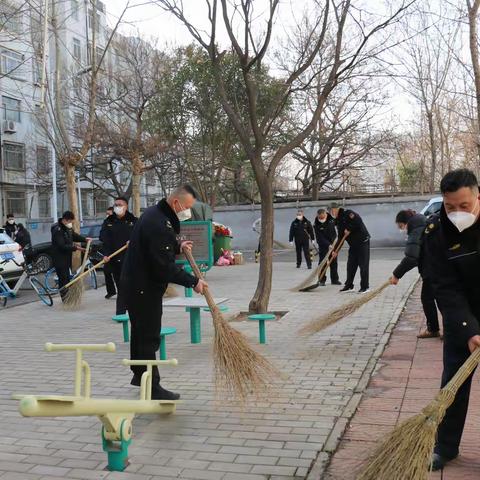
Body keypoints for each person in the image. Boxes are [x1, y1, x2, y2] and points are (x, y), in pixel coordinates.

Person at [120, 186, 208, 400]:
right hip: (143, 288)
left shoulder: (154, 214)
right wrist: (193, 281)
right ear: (176, 203)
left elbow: (154, 248)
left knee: (140, 333)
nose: (187, 212)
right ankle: (153, 387)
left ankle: (140, 376)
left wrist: (177, 246)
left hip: (136, 284)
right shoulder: (158, 223)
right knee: (149, 336)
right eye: (186, 207)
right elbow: (163, 267)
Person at [422, 169, 480, 472]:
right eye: (450, 206)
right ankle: (445, 446)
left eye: (464, 206)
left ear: (477, 197)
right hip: (462, 317)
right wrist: (469, 330)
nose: (457, 213)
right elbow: (444, 287)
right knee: (453, 384)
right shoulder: (436, 232)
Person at [389, 209, 440, 338]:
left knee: (428, 298)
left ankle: (434, 329)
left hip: (433, 268)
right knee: (440, 298)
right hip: (437, 265)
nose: (402, 229)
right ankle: (449, 330)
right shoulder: (421, 222)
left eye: (401, 226)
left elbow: (412, 258)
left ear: (405, 222)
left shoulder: (415, 228)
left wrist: (396, 275)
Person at [100, 198, 137, 315]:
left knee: (130, 285)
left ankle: (132, 310)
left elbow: (143, 236)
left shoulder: (134, 221)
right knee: (121, 286)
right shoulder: (108, 221)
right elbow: (103, 239)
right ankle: (121, 313)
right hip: (114, 259)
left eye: (120, 205)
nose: (117, 207)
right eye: (115, 205)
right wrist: (105, 254)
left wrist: (133, 241)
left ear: (126, 206)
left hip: (130, 259)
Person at [329, 202, 370, 293]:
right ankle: (349, 285)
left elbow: (358, 220)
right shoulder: (338, 221)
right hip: (353, 245)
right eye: (330, 211)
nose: (332, 213)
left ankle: (365, 287)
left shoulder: (348, 213)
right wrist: (335, 251)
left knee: (363, 266)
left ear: (337, 209)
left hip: (362, 242)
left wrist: (349, 228)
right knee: (350, 266)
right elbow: (340, 238)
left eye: (332, 210)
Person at [51, 211, 90, 301]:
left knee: (67, 278)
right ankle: (65, 299)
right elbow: (62, 245)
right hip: (59, 258)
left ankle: (68, 297)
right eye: (70, 222)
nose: (71, 224)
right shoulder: (57, 229)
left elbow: (73, 236)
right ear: (65, 220)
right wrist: (76, 248)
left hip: (66, 258)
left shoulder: (67, 228)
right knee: (63, 279)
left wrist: (85, 239)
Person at [314, 208, 341, 286]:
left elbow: (338, 226)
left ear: (325, 214)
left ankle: (335, 280)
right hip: (323, 246)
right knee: (323, 263)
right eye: (320, 217)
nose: (321, 218)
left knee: (334, 262)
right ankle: (322, 280)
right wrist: (328, 245)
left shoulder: (331, 220)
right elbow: (319, 237)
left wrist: (334, 244)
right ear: (318, 215)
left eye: (323, 217)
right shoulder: (316, 224)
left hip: (333, 243)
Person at [102, 207, 117, 300]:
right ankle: (111, 291)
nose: (107, 215)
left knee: (118, 274)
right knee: (107, 271)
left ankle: (124, 292)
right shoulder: (106, 223)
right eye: (106, 213)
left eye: (109, 213)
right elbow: (102, 236)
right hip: (108, 253)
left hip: (119, 253)